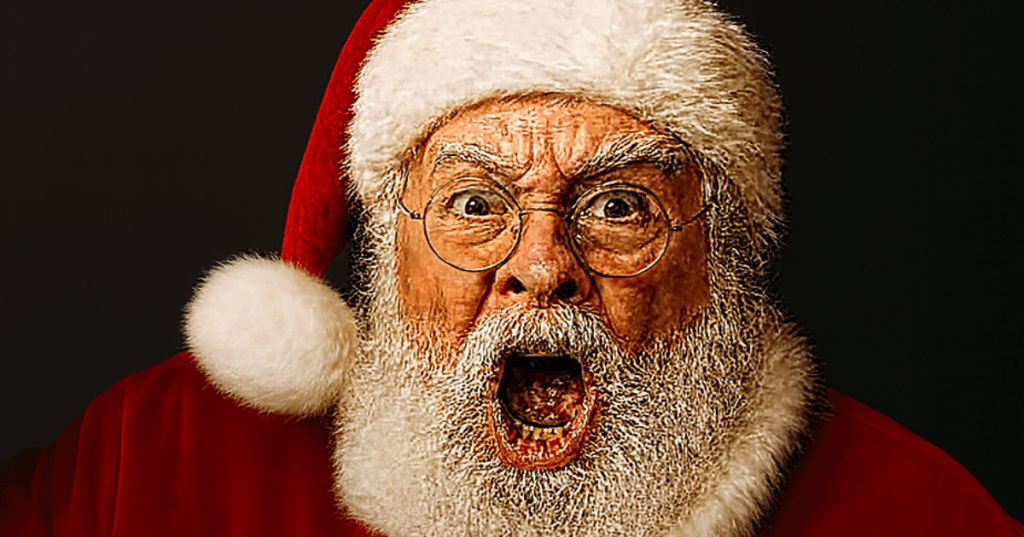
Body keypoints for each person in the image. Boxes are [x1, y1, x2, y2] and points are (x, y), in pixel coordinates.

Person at [2, 0, 1020, 535]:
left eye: (619, 207)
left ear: (722, 255)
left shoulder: (912, 514)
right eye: (475, 205)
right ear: (388, 245)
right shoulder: (155, 459)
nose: (540, 267)